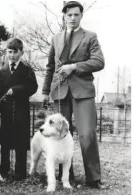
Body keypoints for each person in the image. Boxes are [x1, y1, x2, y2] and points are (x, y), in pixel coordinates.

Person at [42, 1, 105, 189]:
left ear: (81, 16)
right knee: (58, 134)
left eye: (76, 15)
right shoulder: (56, 38)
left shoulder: (90, 37)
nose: (72, 18)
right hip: (60, 91)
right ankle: (65, 177)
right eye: (69, 15)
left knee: (87, 134)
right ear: (64, 16)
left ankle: (93, 178)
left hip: (83, 92)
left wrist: (75, 67)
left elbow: (99, 61)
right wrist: (45, 91)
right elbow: (50, 67)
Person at [0, 38, 38, 180]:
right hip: (4, 112)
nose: (11, 55)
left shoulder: (27, 70)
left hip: (21, 112)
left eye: (14, 52)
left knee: (21, 142)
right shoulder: (1, 71)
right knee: (4, 141)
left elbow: (33, 87)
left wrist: (17, 90)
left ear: (21, 53)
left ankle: (20, 172)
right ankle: (4, 169)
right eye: (9, 52)